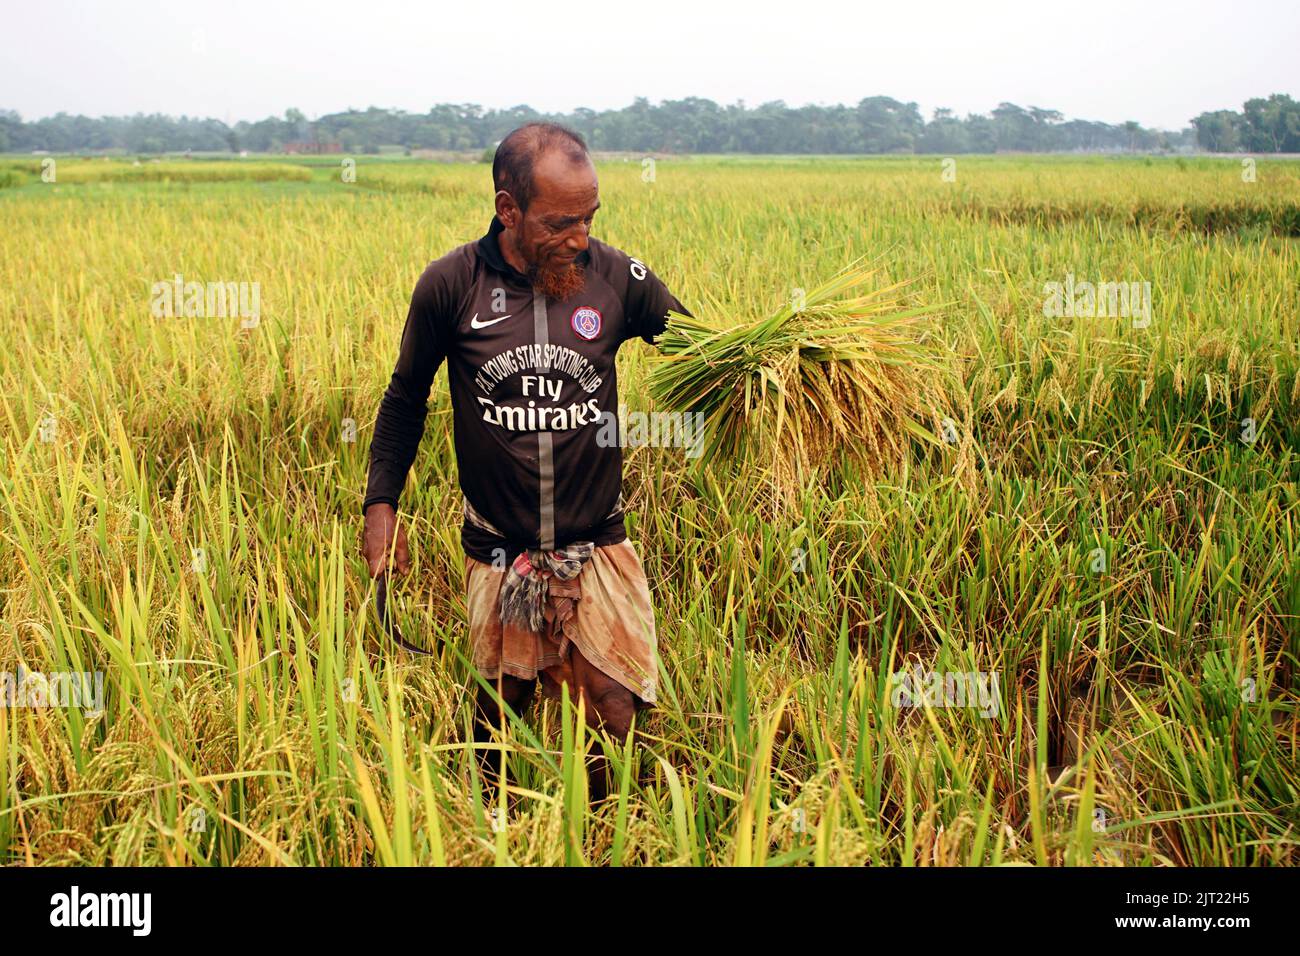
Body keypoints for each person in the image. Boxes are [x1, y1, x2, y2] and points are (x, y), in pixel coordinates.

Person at [360, 122, 691, 802]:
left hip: (594, 542)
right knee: (498, 712)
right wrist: (380, 503)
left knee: (614, 709)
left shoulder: (617, 278)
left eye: (589, 218)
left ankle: (603, 833)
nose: (578, 238)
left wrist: (774, 361)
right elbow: (404, 401)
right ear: (508, 209)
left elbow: (700, 348)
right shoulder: (450, 286)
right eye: (559, 222)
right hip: (500, 545)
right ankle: (490, 827)